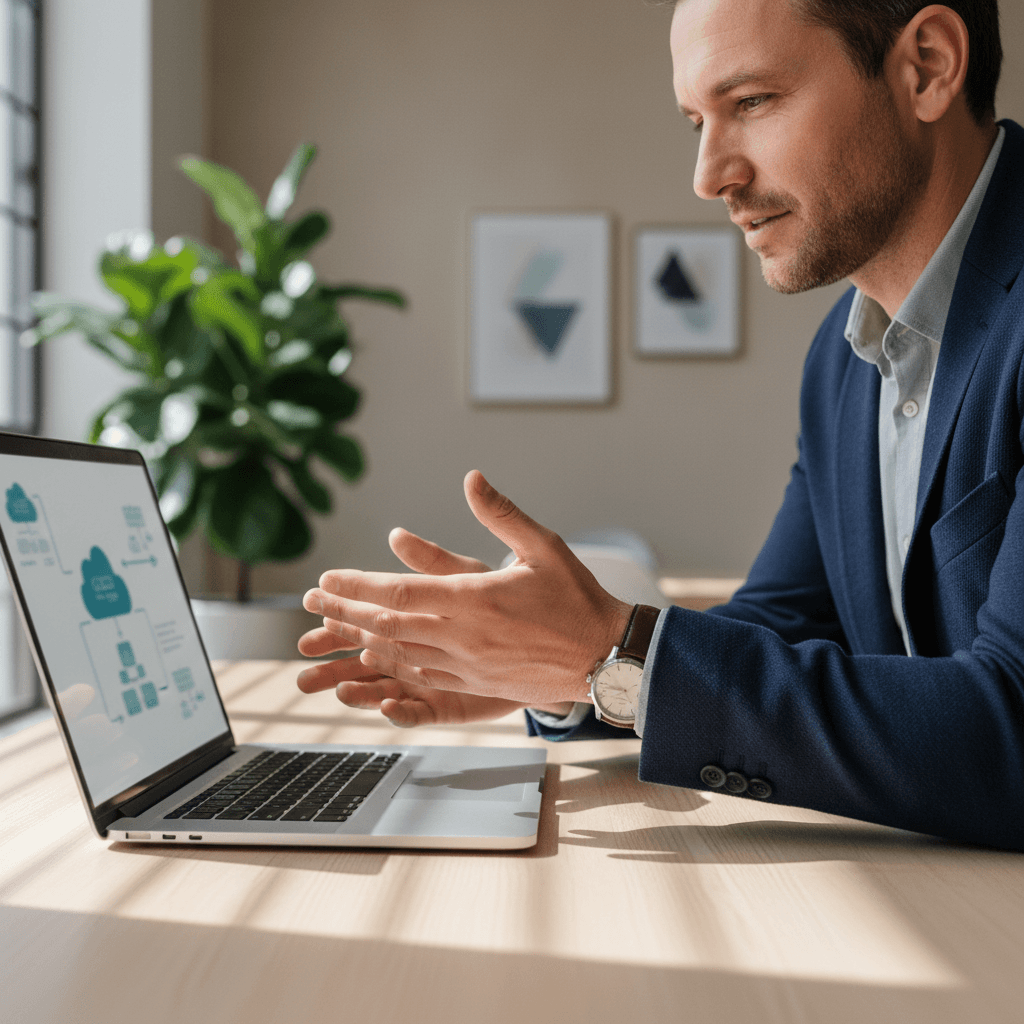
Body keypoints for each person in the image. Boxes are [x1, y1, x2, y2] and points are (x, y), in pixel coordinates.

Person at [296, 0, 1024, 851]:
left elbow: (1008, 728)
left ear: (927, 66)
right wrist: (562, 669)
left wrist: (609, 649)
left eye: (751, 102)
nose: (710, 174)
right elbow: (783, 626)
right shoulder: (842, 358)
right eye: (696, 121)